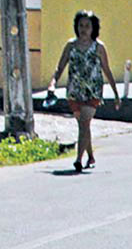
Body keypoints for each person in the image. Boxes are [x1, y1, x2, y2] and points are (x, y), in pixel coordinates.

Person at [47, 10, 119, 173]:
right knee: (83, 126)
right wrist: (52, 85)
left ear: (93, 28)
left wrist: (115, 93)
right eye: (81, 25)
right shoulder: (70, 46)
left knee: (85, 123)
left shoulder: (99, 47)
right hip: (74, 92)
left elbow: (106, 70)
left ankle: (78, 159)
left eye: (87, 26)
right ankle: (91, 156)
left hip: (93, 91)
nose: (84, 29)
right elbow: (60, 67)